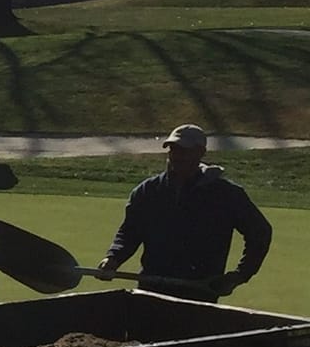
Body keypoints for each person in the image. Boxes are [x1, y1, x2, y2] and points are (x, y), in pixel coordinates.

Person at [96, 124, 272, 302]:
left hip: (199, 294)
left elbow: (260, 232)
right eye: (173, 149)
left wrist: (240, 275)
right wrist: (114, 258)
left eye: (184, 150)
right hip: (151, 291)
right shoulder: (148, 191)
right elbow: (130, 232)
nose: (177, 156)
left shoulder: (226, 195)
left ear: (201, 152)